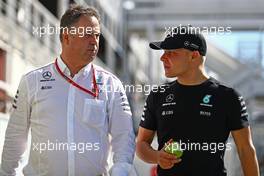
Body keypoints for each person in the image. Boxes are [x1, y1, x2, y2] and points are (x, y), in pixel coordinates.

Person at [0, 4, 136, 176]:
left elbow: (124, 138)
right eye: (87, 35)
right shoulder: (32, 81)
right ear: (66, 37)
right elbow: (15, 137)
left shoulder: (111, 85)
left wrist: (120, 172)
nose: (94, 41)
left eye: (96, 35)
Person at [136, 26, 260, 176]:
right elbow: (141, 144)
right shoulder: (158, 95)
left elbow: (245, 149)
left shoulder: (228, 97)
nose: (162, 58)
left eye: (171, 52)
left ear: (194, 56)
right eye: (163, 52)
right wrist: (157, 157)